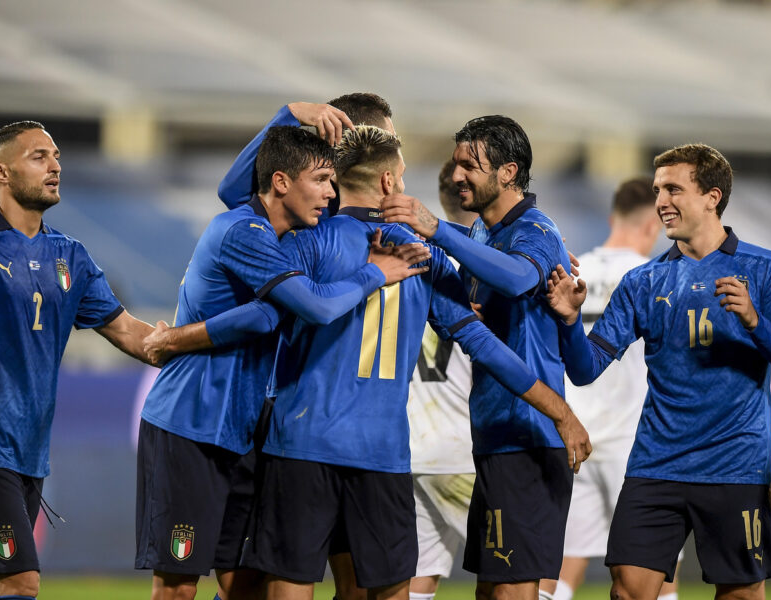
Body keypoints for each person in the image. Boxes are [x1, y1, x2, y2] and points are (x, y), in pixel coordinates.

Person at [242, 125, 591, 600]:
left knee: (292, 582)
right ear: (388, 183)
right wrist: (560, 409)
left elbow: (261, 320)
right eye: (403, 176)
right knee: (389, 589)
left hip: (301, 441)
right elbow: (484, 345)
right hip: (383, 452)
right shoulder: (424, 256)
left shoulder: (307, 241)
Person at [134, 125, 429, 600]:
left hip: (249, 430)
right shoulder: (244, 231)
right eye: (321, 180)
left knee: (246, 583)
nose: (330, 193)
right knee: (178, 585)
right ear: (281, 182)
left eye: (335, 181)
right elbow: (304, 307)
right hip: (193, 423)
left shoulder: (292, 235)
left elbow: (268, 314)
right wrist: (375, 272)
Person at [0, 121, 158, 600]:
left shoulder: (69, 256)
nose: (55, 165)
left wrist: (198, 345)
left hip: (28, 452)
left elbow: (131, 334)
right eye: (39, 156)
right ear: (1, 171)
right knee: (21, 581)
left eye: (56, 155)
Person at [547, 144, 771, 600]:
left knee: (740, 593)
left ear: (712, 197)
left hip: (734, 464)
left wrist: (756, 323)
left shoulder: (767, 270)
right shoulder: (644, 281)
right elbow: (585, 369)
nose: (661, 200)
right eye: (659, 189)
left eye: (674, 189)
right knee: (627, 590)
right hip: (656, 463)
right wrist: (567, 322)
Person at [382, 116, 579, 600]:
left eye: (470, 166)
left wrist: (434, 228)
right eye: (456, 165)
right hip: (494, 435)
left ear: (508, 172)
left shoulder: (536, 230)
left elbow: (516, 279)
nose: (457, 176)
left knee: (513, 592)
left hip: (530, 436)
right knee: (492, 592)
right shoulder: (482, 237)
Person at [535, 178, 678, 600]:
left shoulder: (574, 272)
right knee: (656, 574)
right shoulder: (653, 279)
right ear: (653, 225)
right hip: (634, 446)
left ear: (614, 217)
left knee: (561, 568)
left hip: (575, 437)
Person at [405, 159, 478, 600]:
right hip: (464, 449)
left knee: (417, 580)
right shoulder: (490, 268)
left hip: (411, 445)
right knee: (533, 568)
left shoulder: (416, 255)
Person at [217, 92, 394, 212]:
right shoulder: (305, 206)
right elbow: (234, 194)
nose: (396, 153)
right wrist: (290, 114)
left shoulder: (394, 215)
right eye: (390, 144)